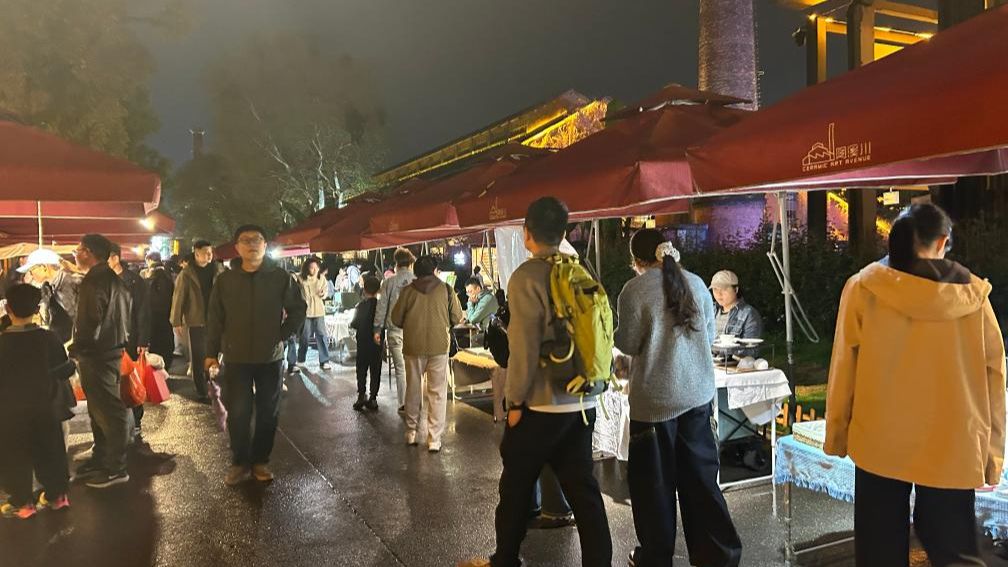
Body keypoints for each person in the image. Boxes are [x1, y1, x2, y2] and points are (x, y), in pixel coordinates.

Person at [825, 203, 1006, 567]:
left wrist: (837, 433)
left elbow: (844, 366)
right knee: (954, 551)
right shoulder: (973, 297)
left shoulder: (863, 287)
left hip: (879, 439)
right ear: (941, 241)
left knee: (878, 549)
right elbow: (995, 377)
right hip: (953, 441)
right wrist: (992, 455)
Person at [460, 197, 612, 567]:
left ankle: (506, 559)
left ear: (527, 233)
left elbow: (524, 348)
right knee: (584, 492)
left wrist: (514, 402)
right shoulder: (581, 271)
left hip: (540, 404)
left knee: (515, 487)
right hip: (582, 401)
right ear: (562, 232)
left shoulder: (526, 277)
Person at [615, 228, 742, 567]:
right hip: (697, 398)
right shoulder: (698, 284)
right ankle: (719, 555)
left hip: (655, 404)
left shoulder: (634, 290)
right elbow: (709, 336)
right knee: (701, 482)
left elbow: (626, 343)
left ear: (636, 260)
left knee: (653, 488)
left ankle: (656, 557)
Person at [205, 225, 307, 486]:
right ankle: (239, 462)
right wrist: (210, 353)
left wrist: (281, 335)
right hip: (236, 356)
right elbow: (215, 318)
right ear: (236, 247)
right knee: (238, 411)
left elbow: (298, 309)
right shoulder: (225, 281)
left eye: (257, 239)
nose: (252, 244)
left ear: (265, 245)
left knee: (267, 411)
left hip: (270, 357)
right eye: (246, 240)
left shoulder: (280, 277)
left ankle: (261, 461)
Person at [0, 284, 77, 519]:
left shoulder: (2, 342)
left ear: (8, 308)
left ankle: (23, 503)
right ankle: (57, 496)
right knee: (51, 451)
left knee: (14, 455)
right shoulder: (48, 338)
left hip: (11, 411)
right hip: (46, 406)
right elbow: (65, 369)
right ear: (36, 309)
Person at [69, 234, 132, 489]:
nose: (75, 254)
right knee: (99, 410)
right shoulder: (114, 280)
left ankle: (116, 468)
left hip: (97, 353)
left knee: (109, 410)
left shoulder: (94, 281)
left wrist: (77, 348)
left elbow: (89, 321)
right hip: (110, 350)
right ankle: (103, 458)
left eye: (77, 250)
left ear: (88, 252)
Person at [391, 255, 464, 453]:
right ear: (434, 270)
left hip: (413, 346)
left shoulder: (407, 291)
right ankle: (434, 439)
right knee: (437, 392)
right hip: (438, 345)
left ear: (415, 271)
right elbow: (457, 317)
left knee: (413, 389)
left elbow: (396, 319)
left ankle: (411, 432)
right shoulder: (446, 289)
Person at [108, 244, 152, 445]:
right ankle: (117, 424)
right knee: (112, 381)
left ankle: (136, 421)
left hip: (130, 337)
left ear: (115, 258)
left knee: (131, 379)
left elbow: (143, 311)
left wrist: (143, 339)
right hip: (109, 339)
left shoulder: (135, 281)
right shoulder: (104, 281)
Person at [170, 240, 224, 403]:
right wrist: (176, 321)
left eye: (210, 253)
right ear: (197, 253)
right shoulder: (187, 274)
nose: (209, 256)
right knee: (198, 356)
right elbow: (179, 297)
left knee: (215, 352)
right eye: (206, 253)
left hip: (216, 319)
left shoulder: (218, 270)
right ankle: (201, 389)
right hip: (196, 320)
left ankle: (213, 382)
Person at [373, 248, 417, 414]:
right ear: (410, 263)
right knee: (414, 367)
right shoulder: (417, 281)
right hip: (415, 330)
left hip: (394, 329)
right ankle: (415, 401)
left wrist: (377, 328)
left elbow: (382, 306)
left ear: (396, 264)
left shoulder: (389, 282)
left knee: (400, 368)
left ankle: (403, 403)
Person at [18, 247, 82, 343]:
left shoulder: (75, 283)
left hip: (77, 343)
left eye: (31, 270)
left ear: (44, 267)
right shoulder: (46, 287)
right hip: (59, 343)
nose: (30, 274)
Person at [351, 276, 382, 412]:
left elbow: (354, 323)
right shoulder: (381, 307)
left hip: (362, 342)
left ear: (364, 290)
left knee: (361, 369)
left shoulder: (360, 306)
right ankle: (373, 398)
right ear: (379, 290)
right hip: (377, 343)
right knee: (375, 369)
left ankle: (361, 395)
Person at [297, 257, 331, 371]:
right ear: (307, 268)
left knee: (321, 335)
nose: (314, 270)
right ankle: (301, 359)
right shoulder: (301, 279)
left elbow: (325, 292)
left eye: (316, 267)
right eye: (312, 268)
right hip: (306, 311)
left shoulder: (321, 278)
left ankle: (324, 360)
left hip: (319, 310)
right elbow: (297, 292)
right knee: (305, 336)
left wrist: (323, 294)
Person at [142, 252, 176, 371]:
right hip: (166, 317)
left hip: (154, 317)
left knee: (156, 345)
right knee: (166, 344)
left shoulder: (153, 277)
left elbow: (149, 298)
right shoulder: (168, 275)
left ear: (150, 260)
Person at [709, 270, 762, 339]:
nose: (719, 294)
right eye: (715, 289)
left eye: (724, 289)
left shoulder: (748, 314)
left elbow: (750, 344)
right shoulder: (710, 310)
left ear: (736, 290)